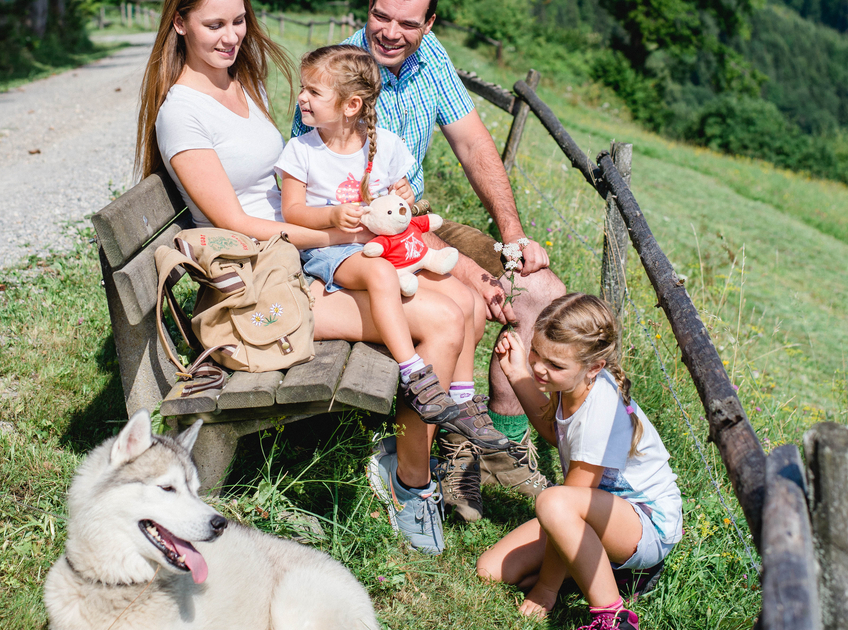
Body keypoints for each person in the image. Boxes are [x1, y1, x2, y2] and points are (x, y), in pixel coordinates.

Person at [134, 0, 489, 555]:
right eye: (214, 25)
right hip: (256, 286)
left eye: (238, 21)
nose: (231, 37)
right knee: (442, 320)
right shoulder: (182, 112)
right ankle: (410, 483)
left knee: (464, 300)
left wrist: (363, 217)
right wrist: (341, 237)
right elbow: (234, 222)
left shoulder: (237, 86)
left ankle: (428, 443)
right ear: (179, 24)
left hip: (290, 261)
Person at [291, 0, 567, 521]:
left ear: (430, 25)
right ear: (366, 8)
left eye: (408, 23)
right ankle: (448, 449)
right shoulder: (339, 75)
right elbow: (342, 211)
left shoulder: (430, 57)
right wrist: (466, 269)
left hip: (418, 221)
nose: (391, 32)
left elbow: (472, 144)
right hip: (371, 239)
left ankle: (498, 449)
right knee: (470, 297)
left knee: (539, 290)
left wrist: (512, 238)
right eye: (381, 15)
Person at [275, 44, 507, 452]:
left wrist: (403, 192)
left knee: (465, 296)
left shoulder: (385, 145)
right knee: (381, 273)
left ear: (351, 106)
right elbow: (292, 211)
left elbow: (398, 201)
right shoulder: (302, 151)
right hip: (335, 253)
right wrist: (331, 217)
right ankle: (415, 373)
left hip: (389, 245)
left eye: (313, 92)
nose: (301, 99)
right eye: (303, 88)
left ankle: (464, 397)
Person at [475, 293, 683, 630]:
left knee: (553, 503)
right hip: (595, 511)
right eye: (536, 353)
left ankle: (612, 615)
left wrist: (545, 589)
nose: (540, 368)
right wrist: (516, 374)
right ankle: (609, 571)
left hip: (646, 523)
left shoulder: (600, 411)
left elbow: (566, 508)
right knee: (491, 569)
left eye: (555, 365)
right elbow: (554, 429)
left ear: (594, 367)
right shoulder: (573, 382)